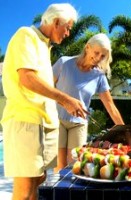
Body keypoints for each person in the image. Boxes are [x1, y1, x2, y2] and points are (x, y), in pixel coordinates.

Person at [1, 3, 87, 200]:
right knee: (24, 189)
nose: (68, 33)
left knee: (38, 180)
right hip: (27, 121)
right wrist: (65, 100)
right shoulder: (26, 35)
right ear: (57, 22)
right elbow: (27, 78)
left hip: (44, 123)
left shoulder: (44, 46)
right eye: (68, 27)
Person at [53, 33, 125, 172]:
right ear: (87, 47)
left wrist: (124, 131)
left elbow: (110, 105)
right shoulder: (64, 63)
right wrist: (64, 102)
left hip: (79, 124)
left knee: (75, 166)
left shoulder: (99, 75)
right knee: (60, 165)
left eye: (103, 56)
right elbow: (47, 88)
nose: (98, 58)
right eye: (96, 52)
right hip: (57, 120)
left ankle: (71, 193)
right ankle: (60, 193)